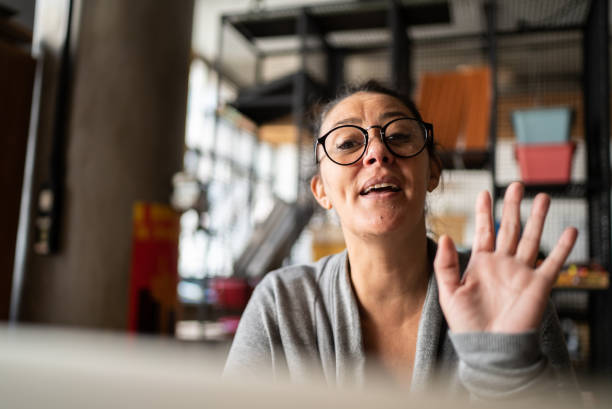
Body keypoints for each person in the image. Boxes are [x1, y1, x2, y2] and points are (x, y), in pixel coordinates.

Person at [224, 80, 579, 401]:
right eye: (348, 143)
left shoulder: (501, 292)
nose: (377, 152)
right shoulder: (281, 306)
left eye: (398, 136)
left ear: (433, 172)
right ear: (321, 191)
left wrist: (506, 368)